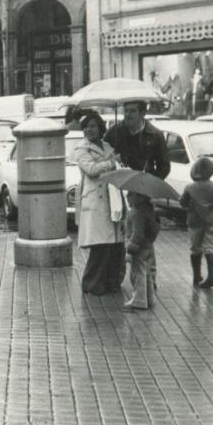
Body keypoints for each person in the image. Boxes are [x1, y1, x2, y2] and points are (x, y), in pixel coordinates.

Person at [70, 112, 126, 295]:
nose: (89, 129)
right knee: (100, 245)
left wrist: (116, 160)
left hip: (112, 198)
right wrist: (111, 163)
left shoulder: (108, 146)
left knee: (114, 244)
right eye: (86, 126)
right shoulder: (81, 149)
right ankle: (92, 283)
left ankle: (111, 281)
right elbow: (91, 170)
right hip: (95, 200)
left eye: (93, 126)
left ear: (100, 127)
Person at [181, 157, 213, 288]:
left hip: (194, 222)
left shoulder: (189, 187)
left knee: (195, 248)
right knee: (210, 248)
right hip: (211, 221)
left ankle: (197, 276)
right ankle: (212, 276)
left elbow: (183, 203)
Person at [104, 101, 170, 179]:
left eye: (132, 111)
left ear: (143, 113)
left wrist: (151, 181)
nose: (127, 114)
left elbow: (164, 166)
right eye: (126, 111)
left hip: (143, 185)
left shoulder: (155, 135)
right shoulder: (114, 132)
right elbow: (102, 156)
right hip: (119, 183)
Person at [124, 191, 160, 310]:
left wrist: (131, 246)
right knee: (146, 273)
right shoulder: (148, 209)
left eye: (130, 195)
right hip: (147, 245)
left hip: (138, 247)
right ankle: (149, 298)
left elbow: (137, 233)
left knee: (137, 273)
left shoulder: (137, 213)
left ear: (139, 197)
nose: (127, 197)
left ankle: (139, 299)